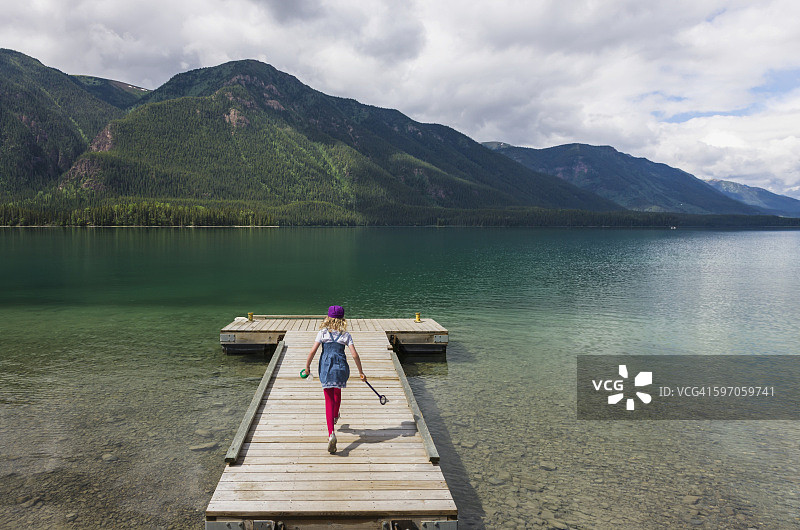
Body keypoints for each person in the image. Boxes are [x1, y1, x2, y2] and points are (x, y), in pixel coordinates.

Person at [305, 305, 365, 454]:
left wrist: (307, 367)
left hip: (326, 368)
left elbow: (313, 351)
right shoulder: (346, 335)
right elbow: (354, 354)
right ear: (342, 319)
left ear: (328, 318)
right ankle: (336, 414)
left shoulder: (322, 333)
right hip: (340, 367)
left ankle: (331, 433)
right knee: (337, 391)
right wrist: (361, 372)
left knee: (328, 399)